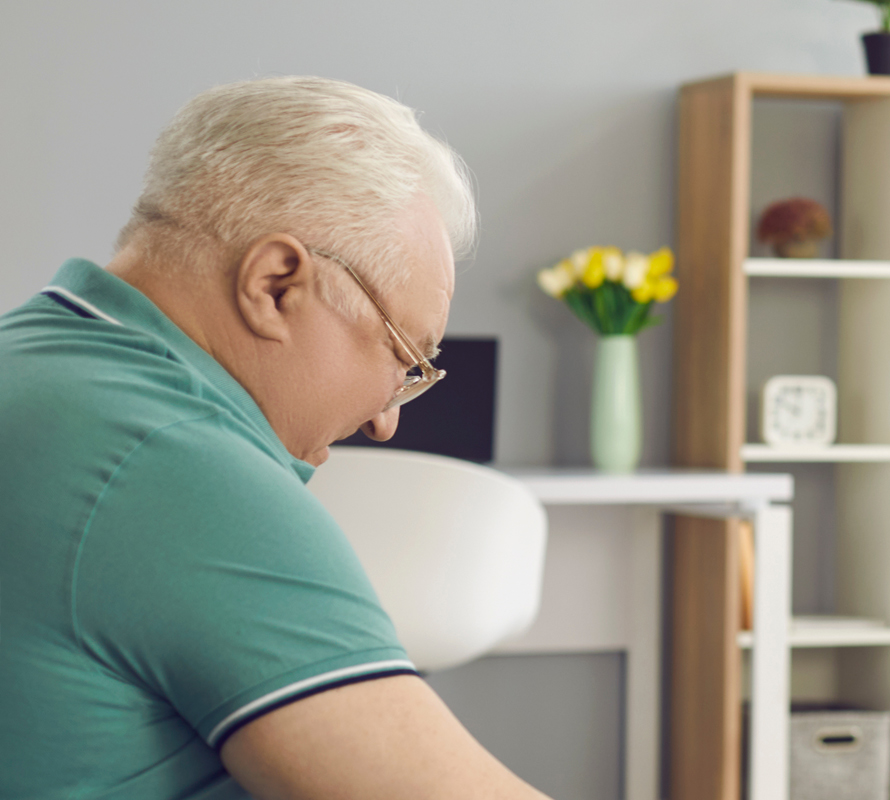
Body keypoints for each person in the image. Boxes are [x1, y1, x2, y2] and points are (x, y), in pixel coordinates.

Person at [0, 77, 549, 798]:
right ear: (276, 284)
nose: (387, 420)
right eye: (402, 358)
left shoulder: (33, 367)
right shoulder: (173, 461)